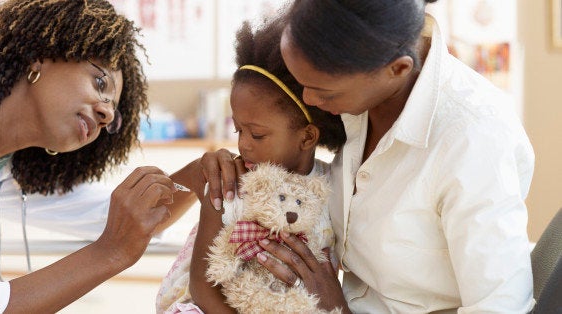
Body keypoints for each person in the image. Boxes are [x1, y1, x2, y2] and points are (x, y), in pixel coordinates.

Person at [200, 0, 536, 313]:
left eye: (323, 91)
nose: (309, 101)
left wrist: (337, 309)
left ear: (397, 69)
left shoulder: (474, 140)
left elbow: (499, 306)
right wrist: (220, 166)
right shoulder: (359, 99)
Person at [0, 0, 198, 312]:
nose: (105, 112)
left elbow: (125, 218)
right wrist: (109, 253)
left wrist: (199, 174)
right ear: (39, 55)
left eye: (111, 118)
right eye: (100, 83)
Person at [155, 15, 346, 313]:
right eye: (239, 130)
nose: (243, 145)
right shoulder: (231, 184)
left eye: (257, 134)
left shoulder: (334, 185)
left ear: (307, 137)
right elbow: (203, 288)